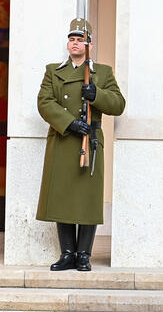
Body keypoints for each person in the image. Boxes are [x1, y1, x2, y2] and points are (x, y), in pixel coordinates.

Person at [35, 18, 126, 272]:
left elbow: (118, 104)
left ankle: (84, 255)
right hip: (64, 139)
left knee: (86, 199)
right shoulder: (53, 70)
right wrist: (70, 124)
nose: (76, 44)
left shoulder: (103, 73)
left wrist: (97, 95)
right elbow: (45, 102)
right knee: (62, 197)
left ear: (90, 45)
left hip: (90, 142)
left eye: (81, 40)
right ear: (68, 44)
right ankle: (67, 253)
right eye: (72, 39)